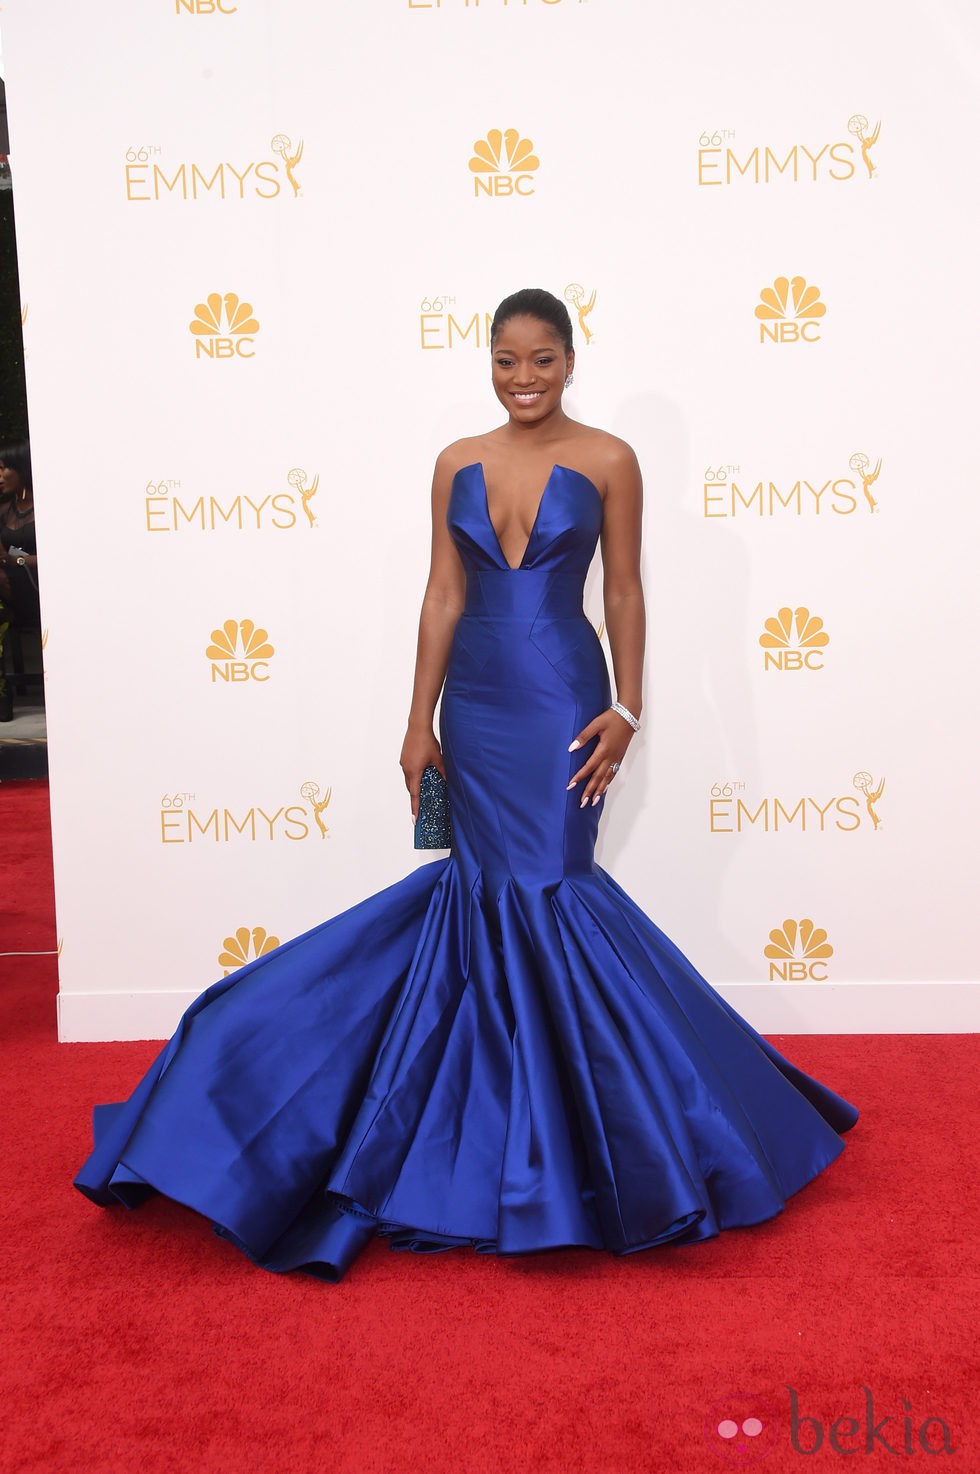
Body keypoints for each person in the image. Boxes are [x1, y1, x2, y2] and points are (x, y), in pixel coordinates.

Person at [74, 288, 858, 1282]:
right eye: (504, 360)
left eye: (539, 359)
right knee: (481, 899)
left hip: (563, 699)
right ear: (486, 363)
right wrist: (417, 722)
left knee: (547, 890)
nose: (521, 377)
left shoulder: (612, 458)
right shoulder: (453, 460)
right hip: (477, 706)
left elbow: (620, 588)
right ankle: (482, 1134)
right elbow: (443, 591)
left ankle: (599, 1143)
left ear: (570, 361)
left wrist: (628, 708)